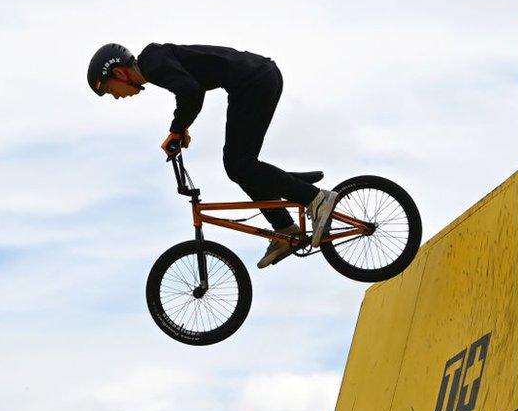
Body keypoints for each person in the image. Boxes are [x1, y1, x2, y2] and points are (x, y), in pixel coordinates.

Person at [86, 42, 337, 268]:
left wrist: (176, 130)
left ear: (119, 73)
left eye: (110, 90)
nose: (116, 96)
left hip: (254, 80)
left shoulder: (153, 63)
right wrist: (181, 127)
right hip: (253, 81)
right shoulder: (157, 62)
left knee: (240, 164)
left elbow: (191, 92)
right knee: (240, 166)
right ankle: (285, 229)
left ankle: (315, 198)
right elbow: (192, 88)